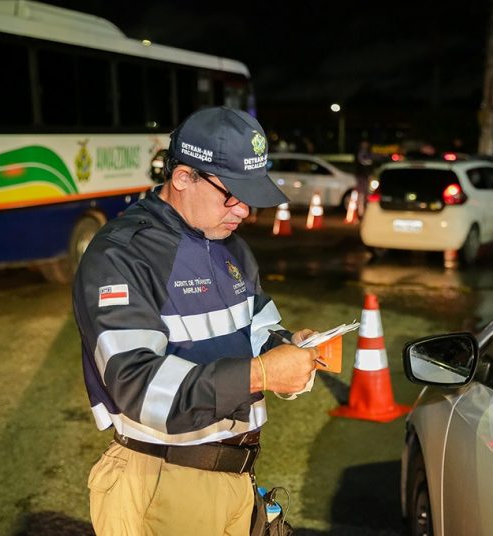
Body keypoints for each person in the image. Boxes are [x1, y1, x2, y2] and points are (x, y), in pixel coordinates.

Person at [72, 106, 320, 536]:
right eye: (233, 194)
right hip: (162, 484)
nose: (243, 210)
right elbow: (138, 386)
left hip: (236, 479)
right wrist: (261, 374)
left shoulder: (232, 247)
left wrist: (287, 348)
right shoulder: (121, 254)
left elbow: (257, 328)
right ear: (184, 176)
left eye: (251, 197)